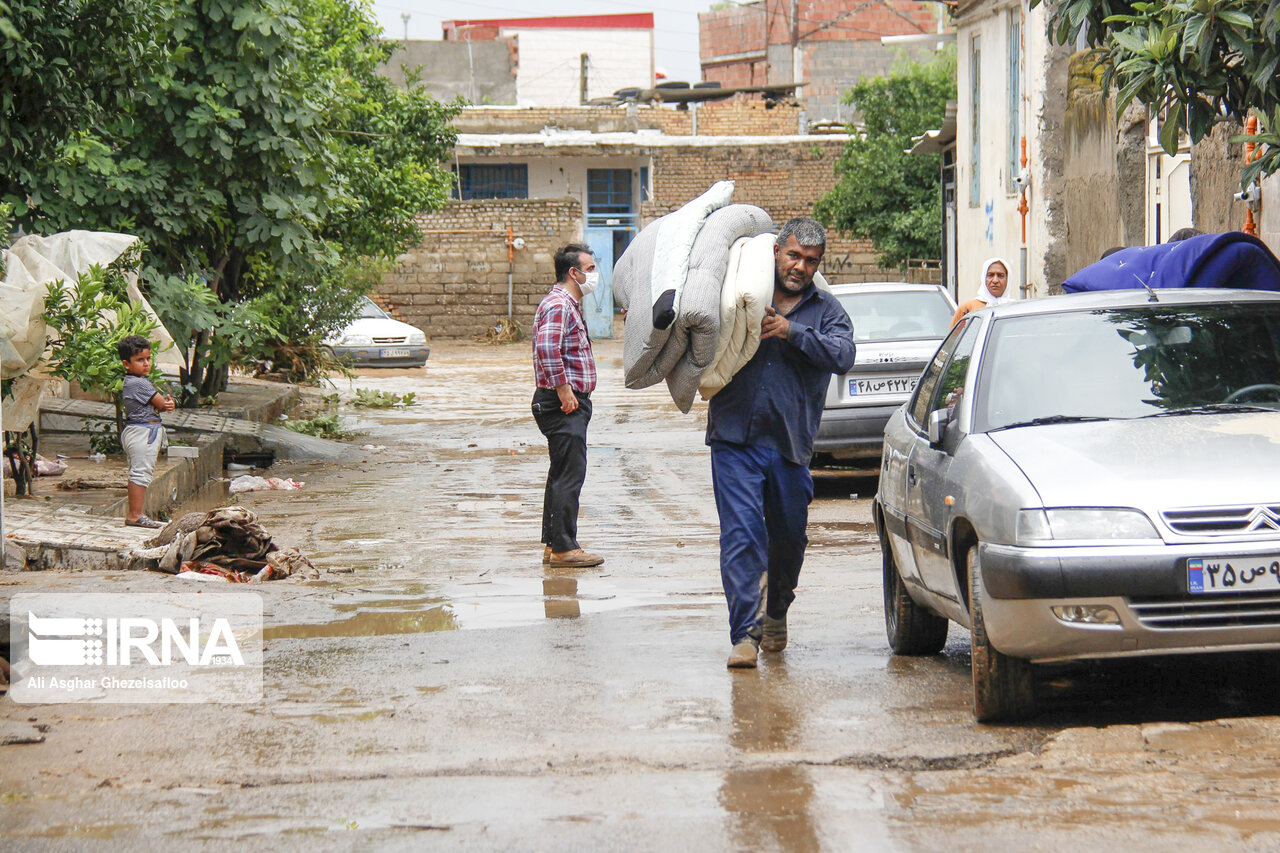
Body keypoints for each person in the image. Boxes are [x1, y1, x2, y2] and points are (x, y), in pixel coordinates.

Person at [707, 217, 856, 669]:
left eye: (810, 261)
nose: (800, 266)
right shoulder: (740, 294)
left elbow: (845, 355)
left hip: (791, 445)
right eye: (793, 255)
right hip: (734, 437)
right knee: (742, 535)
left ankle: (776, 611)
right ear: (776, 251)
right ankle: (744, 635)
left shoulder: (827, 310)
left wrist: (793, 333)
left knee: (789, 540)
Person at [532, 243, 605, 569]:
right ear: (573, 273)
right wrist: (564, 390)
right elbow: (548, 348)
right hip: (563, 401)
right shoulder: (560, 304)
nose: (594, 275)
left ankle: (553, 544)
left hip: (567, 399)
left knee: (561, 474)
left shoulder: (566, 304)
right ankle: (565, 548)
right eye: (590, 269)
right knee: (569, 476)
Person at [118, 335, 175, 528]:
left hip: (138, 430)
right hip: (143, 432)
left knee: (139, 472)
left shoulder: (133, 382)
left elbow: (157, 406)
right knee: (140, 474)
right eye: (140, 360)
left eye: (148, 359)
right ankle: (135, 516)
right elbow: (161, 404)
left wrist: (162, 405)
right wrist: (167, 404)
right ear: (127, 364)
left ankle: (137, 514)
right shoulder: (139, 383)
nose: (146, 364)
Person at [951, 257, 1012, 327]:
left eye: (1000, 276)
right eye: (990, 275)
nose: (995, 280)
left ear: (1008, 279)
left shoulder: (1014, 309)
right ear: (984, 278)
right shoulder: (967, 309)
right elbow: (955, 336)